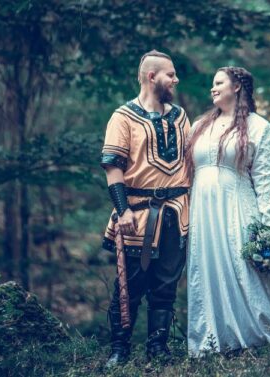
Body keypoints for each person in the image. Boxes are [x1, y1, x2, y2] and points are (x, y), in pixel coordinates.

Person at [185, 66, 270, 357]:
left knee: (245, 268)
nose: (212, 89)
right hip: (203, 211)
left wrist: (269, 228)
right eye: (212, 84)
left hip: (238, 206)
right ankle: (215, 338)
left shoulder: (258, 126)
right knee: (207, 268)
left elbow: (264, 181)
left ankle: (262, 332)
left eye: (218, 83)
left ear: (237, 87)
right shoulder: (199, 125)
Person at [100, 50, 191, 367]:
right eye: (170, 74)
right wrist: (122, 210)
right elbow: (113, 167)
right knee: (130, 285)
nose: (175, 80)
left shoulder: (180, 116)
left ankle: (158, 348)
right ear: (152, 77)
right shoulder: (123, 117)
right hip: (136, 214)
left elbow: (190, 163)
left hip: (177, 213)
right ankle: (120, 349)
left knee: (166, 284)